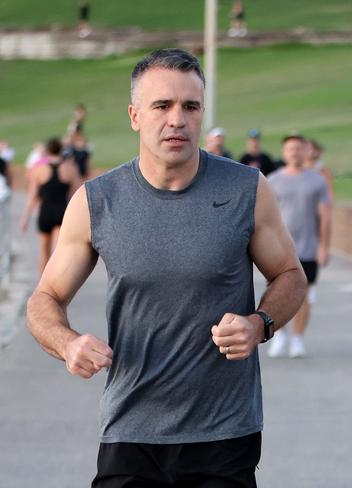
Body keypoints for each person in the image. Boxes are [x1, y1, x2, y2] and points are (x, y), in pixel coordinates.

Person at [25, 48, 307, 487]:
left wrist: (259, 324)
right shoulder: (97, 201)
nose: (177, 119)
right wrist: (67, 344)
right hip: (130, 431)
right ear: (135, 115)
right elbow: (45, 300)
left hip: (224, 435)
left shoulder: (246, 189)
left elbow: (291, 275)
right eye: (162, 105)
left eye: (190, 106)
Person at [266, 134, 332, 358]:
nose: (294, 152)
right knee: (276, 293)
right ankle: (280, 335)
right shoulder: (272, 181)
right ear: (284, 153)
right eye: (290, 149)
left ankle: (297, 338)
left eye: (298, 148)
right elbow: (265, 217)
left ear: (306, 152)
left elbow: (325, 216)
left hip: (308, 247)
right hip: (278, 249)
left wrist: (324, 246)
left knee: (304, 295)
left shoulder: (317, 181)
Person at [19, 137, 82, 274]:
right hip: (62, 212)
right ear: (61, 150)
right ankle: (57, 287)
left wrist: (25, 220)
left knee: (44, 252)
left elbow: (32, 196)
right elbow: (78, 195)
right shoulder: (70, 168)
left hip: (45, 212)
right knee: (58, 253)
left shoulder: (38, 169)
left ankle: (43, 290)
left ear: (47, 150)